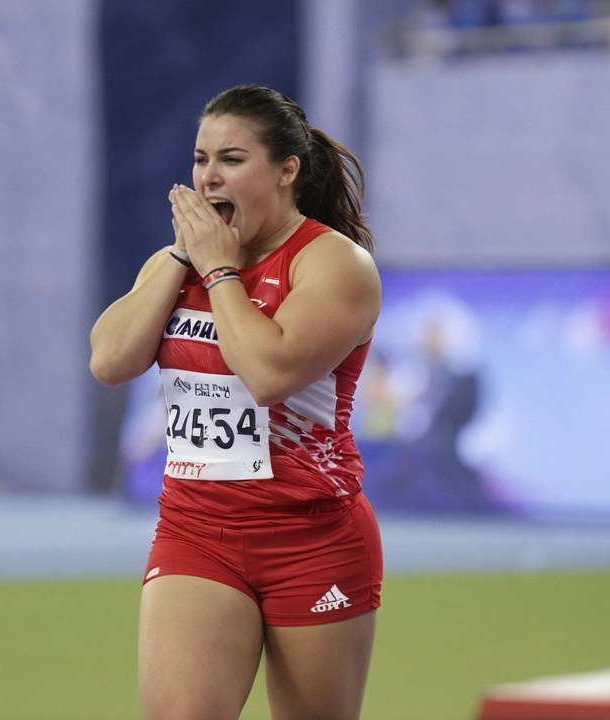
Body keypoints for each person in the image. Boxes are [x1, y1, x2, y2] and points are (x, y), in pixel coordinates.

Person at [90, 84, 384, 720]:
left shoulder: (335, 265)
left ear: (286, 171)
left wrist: (220, 272)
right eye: (200, 160)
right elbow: (110, 362)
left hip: (311, 535)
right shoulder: (182, 262)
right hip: (196, 530)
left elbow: (270, 373)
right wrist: (179, 257)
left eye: (231, 159)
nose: (208, 177)